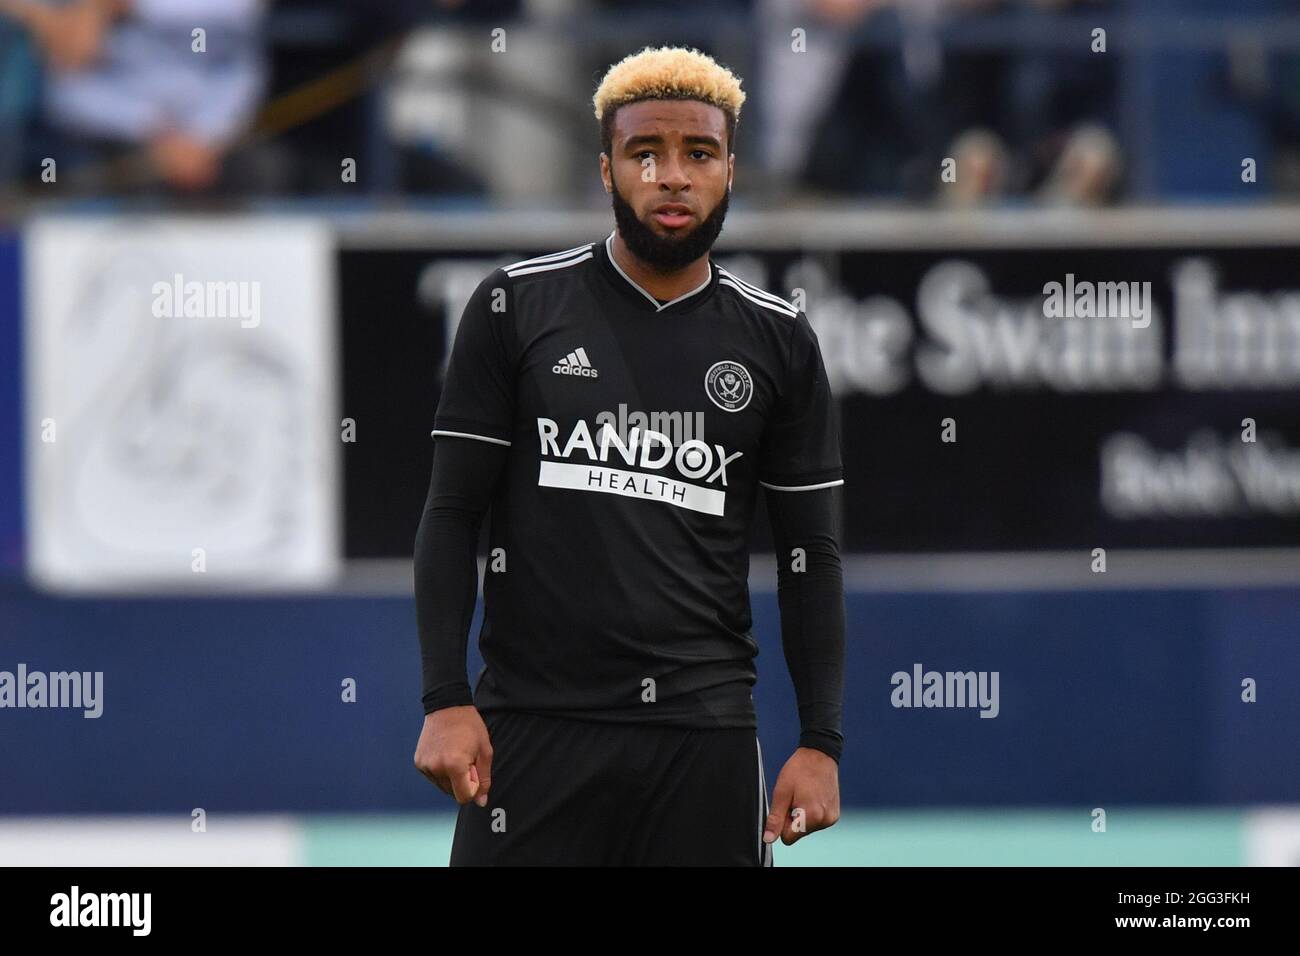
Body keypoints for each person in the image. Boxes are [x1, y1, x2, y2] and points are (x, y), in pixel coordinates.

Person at [413, 45, 846, 866]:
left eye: (698, 154)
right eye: (644, 153)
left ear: (731, 170)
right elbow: (450, 513)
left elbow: (810, 555)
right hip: (534, 732)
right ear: (606, 171)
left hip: (705, 739)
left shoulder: (779, 341)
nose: (672, 176)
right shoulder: (514, 307)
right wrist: (445, 698)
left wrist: (821, 741)